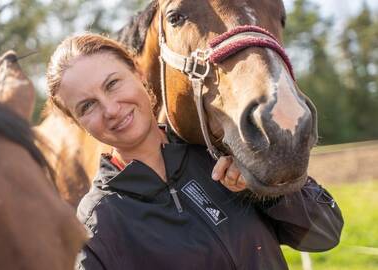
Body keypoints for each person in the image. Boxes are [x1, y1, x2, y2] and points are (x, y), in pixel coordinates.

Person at [46, 33, 343, 270]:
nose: (110, 109)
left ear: (139, 73)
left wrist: (262, 190)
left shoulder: (216, 149)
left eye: (112, 84)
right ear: (78, 122)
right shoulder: (98, 222)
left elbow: (325, 232)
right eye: (87, 106)